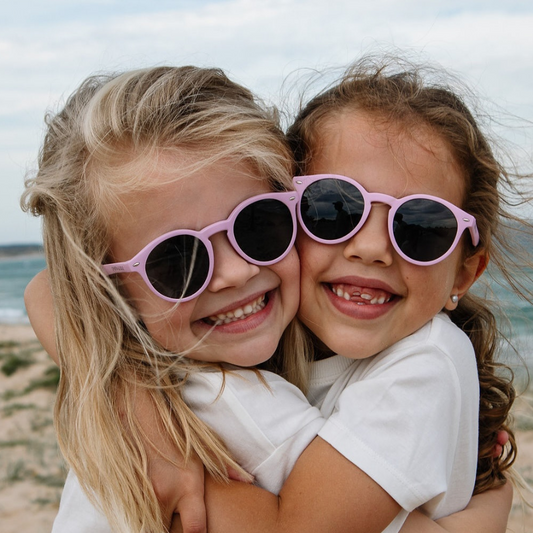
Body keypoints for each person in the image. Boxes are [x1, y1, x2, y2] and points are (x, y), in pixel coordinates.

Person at [22, 62, 516, 533]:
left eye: (256, 226)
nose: (236, 273)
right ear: (106, 289)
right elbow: (49, 289)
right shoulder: (220, 384)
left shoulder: (419, 361)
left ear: (466, 269)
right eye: (334, 208)